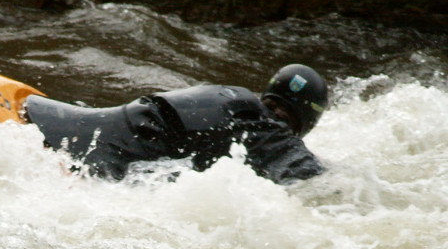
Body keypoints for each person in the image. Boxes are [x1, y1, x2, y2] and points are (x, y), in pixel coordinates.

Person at [23, 64, 328, 184]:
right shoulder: (262, 126)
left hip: (48, 120)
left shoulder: (230, 96)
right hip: (98, 164)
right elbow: (313, 180)